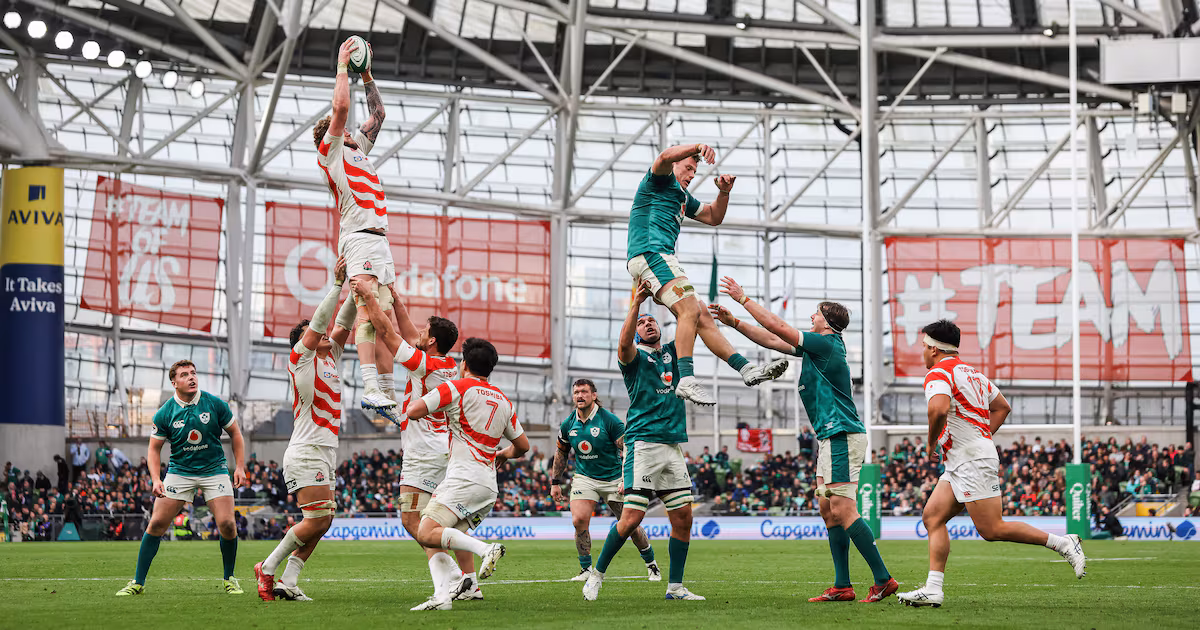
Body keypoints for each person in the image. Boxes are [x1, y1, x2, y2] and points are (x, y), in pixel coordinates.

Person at [710, 279, 897, 603]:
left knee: (842, 507)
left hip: (841, 433)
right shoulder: (818, 347)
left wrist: (744, 299)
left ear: (829, 321)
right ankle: (842, 586)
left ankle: (883, 579)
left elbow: (777, 326)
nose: (812, 316)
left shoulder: (827, 343)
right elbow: (771, 337)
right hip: (829, 436)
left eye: (817, 313)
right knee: (828, 510)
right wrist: (736, 323)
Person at [896, 320, 1086, 608]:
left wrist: (932, 442)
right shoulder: (973, 373)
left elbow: (937, 409)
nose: (922, 351)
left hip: (970, 459)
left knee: (992, 529)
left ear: (934, 349)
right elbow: (1002, 407)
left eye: (924, 346)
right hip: (965, 459)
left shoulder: (938, 372)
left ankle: (1064, 543)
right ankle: (933, 588)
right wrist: (980, 437)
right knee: (932, 517)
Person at [625, 143, 787, 406]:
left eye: (695, 170)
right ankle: (686, 379)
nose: (691, 174)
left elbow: (713, 216)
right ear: (675, 165)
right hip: (650, 253)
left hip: (661, 258)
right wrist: (698, 146)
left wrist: (724, 192)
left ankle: (745, 369)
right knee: (690, 310)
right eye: (688, 167)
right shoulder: (657, 181)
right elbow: (664, 156)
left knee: (701, 316)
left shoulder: (682, 197)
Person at [352, 280, 482, 602]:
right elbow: (411, 335)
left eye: (426, 332)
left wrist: (370, 299)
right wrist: (396, 300)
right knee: (445, 521)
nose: (419, 334)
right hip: (443, 450)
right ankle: (470, 582)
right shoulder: (445, 364)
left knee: (415, 521)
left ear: (433, 340)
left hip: (423, 453)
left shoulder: (426, 364)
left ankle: (453, 577)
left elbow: (391, 336)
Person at [584, 281, 703, 602]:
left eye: (652, 320)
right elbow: (622, 346)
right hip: (643, 443)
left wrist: (669, 300)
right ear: (636, 332)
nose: (648, 323)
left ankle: (675, 587)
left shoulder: (675, 353)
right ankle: (596, 575)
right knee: (632, 517)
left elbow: (689, 321)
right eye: (642, 322)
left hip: (672, 444)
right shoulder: (634, 359)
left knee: (683, 517)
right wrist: (635, 304)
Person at [255, 258, 354, 602]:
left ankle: (289, 581)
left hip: (324, 450)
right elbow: (322, 323)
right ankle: (267, 568)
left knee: (324, 521)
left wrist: (360, 288)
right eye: (319, 334)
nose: (328, 335)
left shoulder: (329, 357)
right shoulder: (301, 358)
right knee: (315, 520)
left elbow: (343, 323)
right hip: (306, 449)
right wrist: (338, 284)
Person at [405, 338, 530, 611]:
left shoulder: (457, 387)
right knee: (442, 535)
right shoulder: (503, 400)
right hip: (487, 486)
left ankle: (486, 549)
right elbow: (523, 446)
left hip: (464, 478)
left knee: (425, 531)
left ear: (464, 365)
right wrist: (502, 455)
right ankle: (451, 593)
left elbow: (413, 412)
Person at [313, 35, 396, 420]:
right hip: (359, 237)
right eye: (340, 126)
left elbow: (379, 115)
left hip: (378, 238)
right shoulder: (331, 152)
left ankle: (388, 393)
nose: (347, 127)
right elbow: (341, 106)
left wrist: (367, 76)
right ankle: (368, 388)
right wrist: (343, 64)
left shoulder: (356, 148)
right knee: (367, 309)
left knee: (386, 312)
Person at [115, 360, 248, 597]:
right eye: (185, 374)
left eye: (194, 373)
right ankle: (137, 582)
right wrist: (156, 479)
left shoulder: (215, 404)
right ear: (174, 382)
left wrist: (239, 467)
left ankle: (229, 578)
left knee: (228, 525)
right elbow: (153, 450)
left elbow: (235, 434)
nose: (191, 377)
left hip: (214, 470)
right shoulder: (165, 412)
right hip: (179, 472)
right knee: (156, 524)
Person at [551, 378, 661, 582]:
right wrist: (555, 482)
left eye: (584, 392)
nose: (579, 396)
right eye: (576, 392)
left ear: (594, 395)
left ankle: (651, 563)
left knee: (630, 525)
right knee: (578, 520)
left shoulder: (609, 420)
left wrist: (626, 479)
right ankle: (585, 570)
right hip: (585, 478)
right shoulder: (568, 424)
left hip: (614, 478)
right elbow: (561, 452)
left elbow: (628, 449)